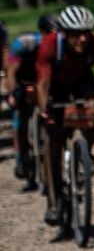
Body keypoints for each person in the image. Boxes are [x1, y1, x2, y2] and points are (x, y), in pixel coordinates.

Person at [35, 5, 94, 229]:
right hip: (55, 85)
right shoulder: (49, 45)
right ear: (64, 32)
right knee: (52, 142)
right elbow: (42, 83)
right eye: (76, 34)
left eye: (87, 32)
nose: (83, 39)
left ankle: (86, 151)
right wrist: (45, 109)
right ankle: (53, 203)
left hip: (83, 82)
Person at [5, 14, 57, 183]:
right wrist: (13, 93)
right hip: (23, 78)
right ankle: (21, 156)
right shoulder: (24, 43)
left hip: (44, 79)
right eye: (50, 34)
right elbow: (11, 70)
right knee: (19, 115)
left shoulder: (58, 45)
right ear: (41, 32)